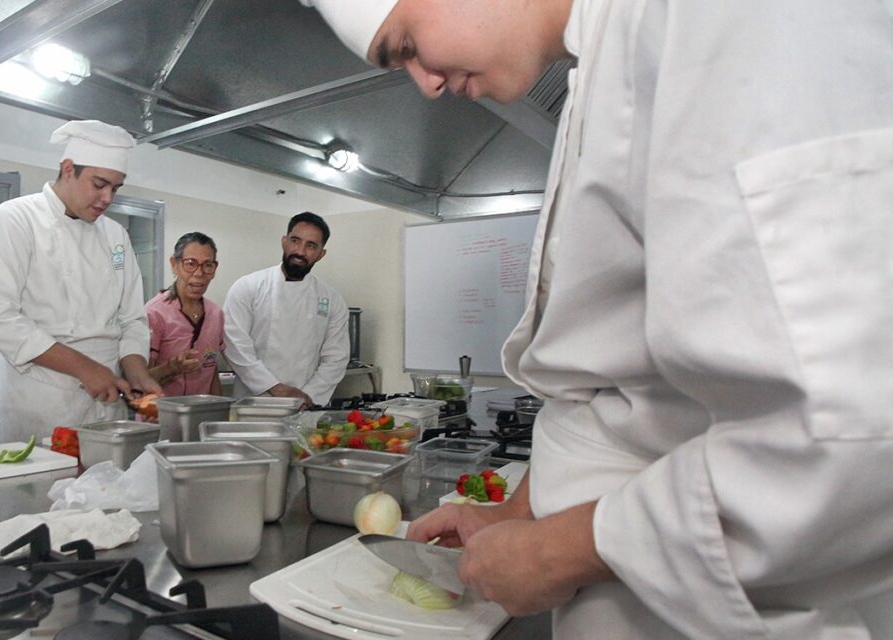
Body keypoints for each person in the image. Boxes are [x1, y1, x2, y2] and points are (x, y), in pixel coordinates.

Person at [304, 0, 893, 637]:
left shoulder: (735, 20)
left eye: (407, 44)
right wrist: (523, 513)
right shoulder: (604, 60)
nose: (425, 82)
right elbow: (614, 383)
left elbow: (841, 430)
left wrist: (559, 551)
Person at [0, 120, 162, 442]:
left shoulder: (115, 235)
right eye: (99, 184)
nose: (107, 198)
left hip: (106, 401)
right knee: (35, 490)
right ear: (69, 169)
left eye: (115, 188)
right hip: (39, 398)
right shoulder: (15, 219)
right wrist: (85, 368)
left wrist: (137, 373)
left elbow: (131, 319)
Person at [223, 212, 349, 407]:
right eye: (295, 241)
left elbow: (336, 357)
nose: (300, 251)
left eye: (311, 245)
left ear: (321, 254)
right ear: (284, 241)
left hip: (305, 407)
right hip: (254, 407)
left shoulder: (332, 299)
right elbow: (235, 345)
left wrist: (308, 396)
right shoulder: (248, 287)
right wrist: (275, 387)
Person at [145, 232, 225, 396]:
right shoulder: (155, 313)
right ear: (174, 265)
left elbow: (212, 373)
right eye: (190, 264)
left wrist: (220, 412)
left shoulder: (215, 313)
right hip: (160, 415)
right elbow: (139, 379)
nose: (199, 273)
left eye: (207, 265)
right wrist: (172, 368)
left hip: (202, 415)